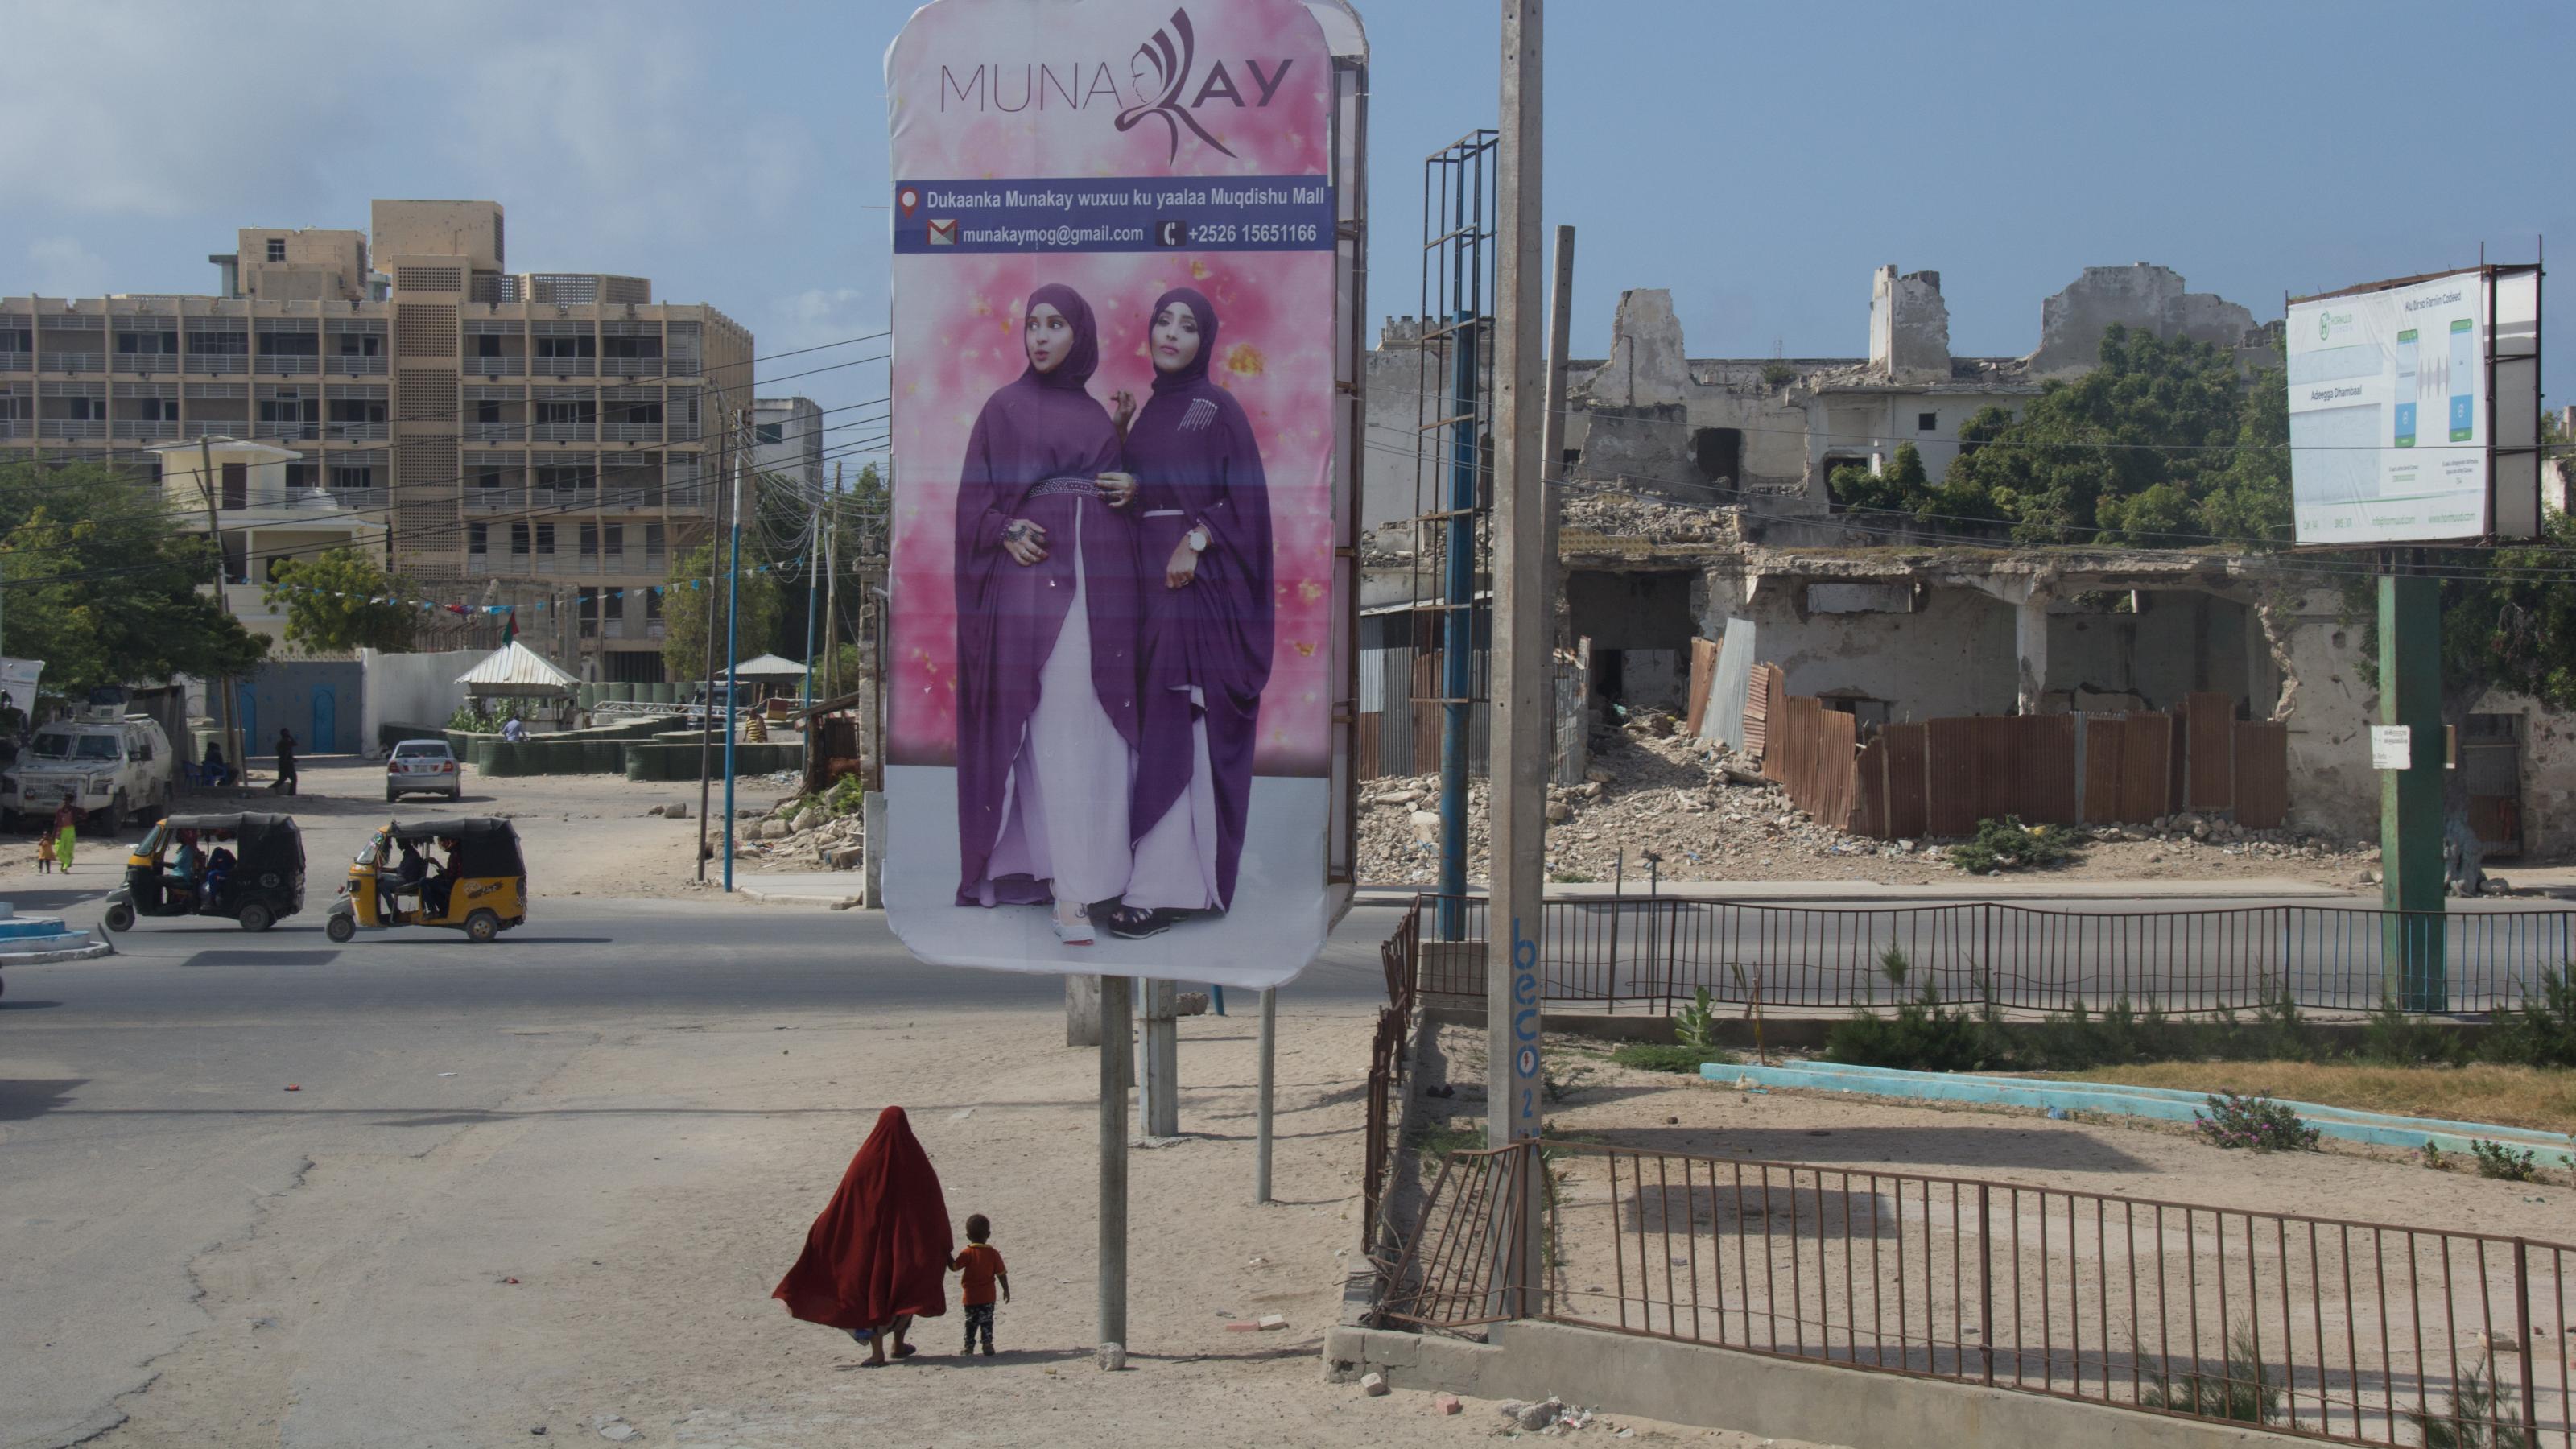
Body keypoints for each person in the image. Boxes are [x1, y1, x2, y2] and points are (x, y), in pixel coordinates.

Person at [950, 283, 1142, 945]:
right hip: (1037, 587)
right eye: (1032, 323)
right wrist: (1004, 529)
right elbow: (973, 503)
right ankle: (1070, 892)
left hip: (1105, 584)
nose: (1040, 336)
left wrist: (1123, 468)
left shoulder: (1094, 414)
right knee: (1057, 729)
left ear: (1079, 334)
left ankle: (1101, 878)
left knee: (1102, 729)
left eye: (1055, 324)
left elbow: (1116, 492)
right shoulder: (1001, 409)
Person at [1103, 287, 1275, 941]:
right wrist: (1120, 445)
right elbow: (1149, 492)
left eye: (1187, 325)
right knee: (1155, 729)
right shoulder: (1151, 413)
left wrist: (1197, 539)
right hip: (1149, 591)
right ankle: (1155, 873)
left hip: (1193, 595)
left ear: (1206, 338)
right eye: (1162, 321)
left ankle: (1161, 888)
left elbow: (1247, 504)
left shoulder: (1215, 409)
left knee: (1180, 725)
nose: (1171, 333)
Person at [774, 1105, 953, 1367]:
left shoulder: (866, 1158)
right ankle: (899, 1344)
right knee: (903, 1290)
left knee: (870, 1295)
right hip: (902, 1248)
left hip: (867, 1245)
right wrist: (939, 1243)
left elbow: (846, 1199)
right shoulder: (913, 1159)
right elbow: (931, 1205)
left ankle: (878, 1353)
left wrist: (824, 1229)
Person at [947, 1213, 1009, 1356]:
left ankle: (969, 1347)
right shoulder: (993, 1254)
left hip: (970, 1297)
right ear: (988, 1234)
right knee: (987, 1321)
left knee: (971, 1322)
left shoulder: (967, 1253)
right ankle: (987, 1345)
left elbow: (954, 1267)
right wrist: (1006, 1290)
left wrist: (946, 1254)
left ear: (968, 1236)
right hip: (988, 1296)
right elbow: (1002, 1274)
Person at [49, 796, 77, 875]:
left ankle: (65, 868)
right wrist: (52, 835)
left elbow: (83, 815)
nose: (65, 803)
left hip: (70, 831)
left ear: (70, 802)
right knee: (58, 850)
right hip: (60, 832)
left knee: (68, 851)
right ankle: (66, 862)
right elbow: (56, 823)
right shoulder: (59, 811)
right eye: (64, 802)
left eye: (67, 802)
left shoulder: (74, 810)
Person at [272, 728, 298, 796]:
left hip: (282, 762)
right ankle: (292, 793)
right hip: (287, 763)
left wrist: (292, 759)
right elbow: (295, 743)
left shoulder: (280, 742)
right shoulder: (286, 742)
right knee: (294, 779)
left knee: (281, 779)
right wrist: (291, 760)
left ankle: (269, 790)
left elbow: (285, 753)